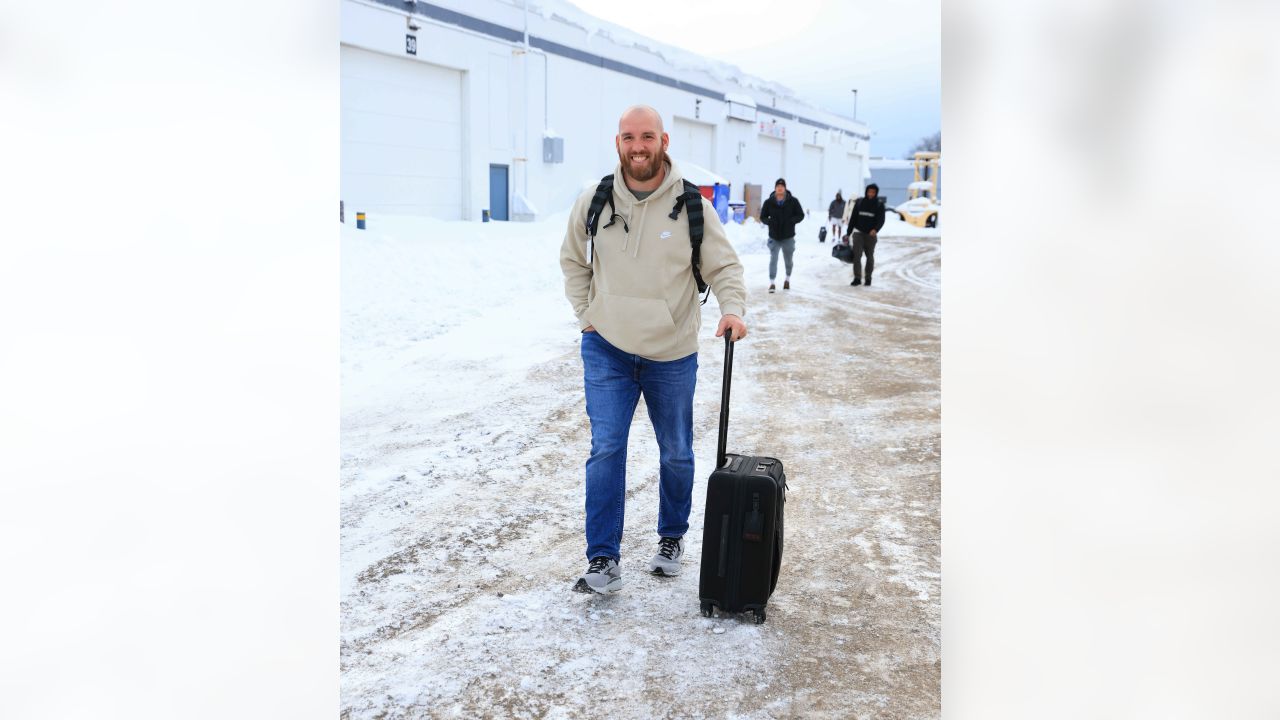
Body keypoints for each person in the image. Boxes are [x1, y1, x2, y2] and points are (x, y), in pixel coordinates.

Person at [560, 105, 748, 594]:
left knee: (677, 452)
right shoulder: (595, 200)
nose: (637, 146)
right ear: (616, 142)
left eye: (647, 136)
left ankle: (671, 538)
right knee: (606, 450)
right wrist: (588, 317)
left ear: (663, 141)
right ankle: (603, 558)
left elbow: (725, 267)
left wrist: (733, 309)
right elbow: (572, 262)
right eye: (628, 137)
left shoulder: (691, 206)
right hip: (607, 349)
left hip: (672, 352)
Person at [758, 178, 804, 293]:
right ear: (775, 188)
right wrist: (769, 222)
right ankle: (772, 283)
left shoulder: (793, 201)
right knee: (773, 259)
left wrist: (792, 221)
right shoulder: (769, 202)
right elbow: (762, 217)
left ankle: (787, 279)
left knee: (788, 260)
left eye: (782, 186)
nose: (780, 188)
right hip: (774, 236)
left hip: (788, 236)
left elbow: (800, 215)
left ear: (785, 188)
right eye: (778, 186)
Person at [843, 183, 886, 286]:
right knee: (857, 256)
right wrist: (848, 233)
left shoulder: (879, 204)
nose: (871, 194)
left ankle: (868, 278)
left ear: (876, 193)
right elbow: (853, 218)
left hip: (870, 235)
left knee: (869, 257)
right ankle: (857, 278)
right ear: (866, 191)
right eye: (869, 191)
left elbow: (881, 220)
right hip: (858, 233)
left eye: (873, 192)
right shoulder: (859, 202)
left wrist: (875, 229)